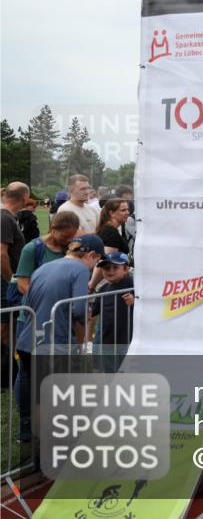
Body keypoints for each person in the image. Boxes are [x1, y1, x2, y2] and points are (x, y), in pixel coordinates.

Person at [15, 234, 105, 441]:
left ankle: (29, 431)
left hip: (28, 337)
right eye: (97, 261)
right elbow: (80, 308)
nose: (95, 267)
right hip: (56, 341)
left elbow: (28, 298)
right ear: (91, 255)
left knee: (31, 386)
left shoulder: (44, 267)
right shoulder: (80, 269)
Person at [14, 211, 81, 295]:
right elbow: (22, 285)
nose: (69, 240)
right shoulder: (32, 249)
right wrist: (47, 300)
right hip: (38, 305)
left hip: (64, 305)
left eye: (73, 236)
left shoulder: (73, 247)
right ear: (53, 230)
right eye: (65, 236)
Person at [90, 251, 134, 372]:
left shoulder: (133, 284)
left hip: (128, 340)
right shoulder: (104, 289)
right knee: (110, 373)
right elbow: (93, 311)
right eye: (106, 268)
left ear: (125, 269)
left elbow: (147, 303)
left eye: (115, 267)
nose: (110, 271)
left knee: (128, 373)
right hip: (108, 340)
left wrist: (134, 301)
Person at [2, 182, 29, 350]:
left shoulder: (8, 217)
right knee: (4, 330)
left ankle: (10, 370)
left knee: (9, 329)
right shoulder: (4, 218)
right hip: (4, 282)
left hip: (6, 282)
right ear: (24, 198)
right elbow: (1, 254)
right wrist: (10, 279)